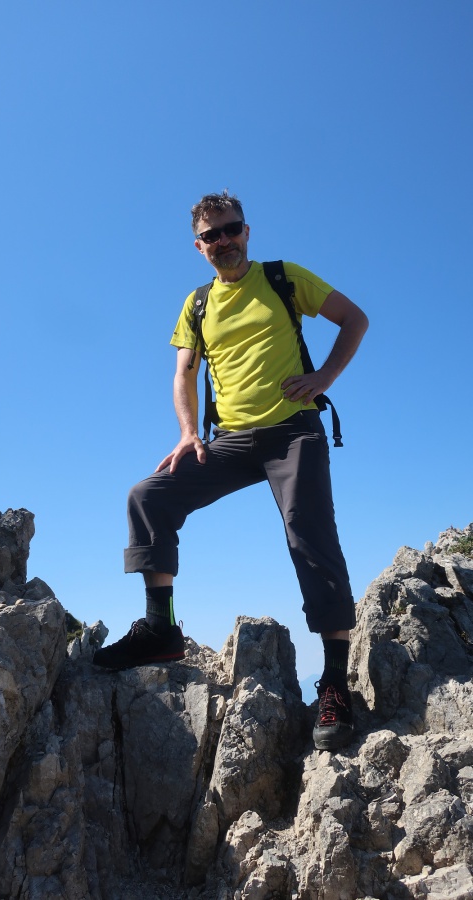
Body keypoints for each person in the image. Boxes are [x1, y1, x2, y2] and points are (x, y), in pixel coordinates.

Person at [94, 191, 369, 751]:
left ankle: (335, 683)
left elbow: (354, 319)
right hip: (231, 439)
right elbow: (184, 373)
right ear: (199, 247)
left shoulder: (283, 278)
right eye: (211, 235)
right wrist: (188, 433)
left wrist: (323, 379)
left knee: (309, 531)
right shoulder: (197, 305)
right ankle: (160, 628)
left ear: (247, 231)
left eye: (231, 229)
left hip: (293, 430)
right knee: (148, 496)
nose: (224, 241)